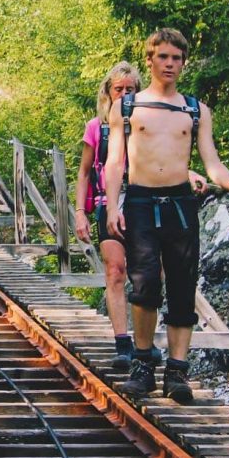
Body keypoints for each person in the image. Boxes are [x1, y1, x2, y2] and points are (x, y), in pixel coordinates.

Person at [105, 29, 229, 403]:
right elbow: (115, 162)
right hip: (141, 201)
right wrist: (113, 205)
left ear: (183, 63)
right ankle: (143, 365)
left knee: (181, 286)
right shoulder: (128, 107)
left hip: (180, 202)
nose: (169, 64)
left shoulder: (195, 109)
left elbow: (211, 163)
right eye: (162, 57)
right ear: (150, 60)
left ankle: (176, 372)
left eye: (176, 59)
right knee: (144, 284)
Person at [74, 62, 207, 370]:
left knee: (151, 276)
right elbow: (83, 173)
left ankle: (143, 345)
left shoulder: (147, 118)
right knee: (116, 270)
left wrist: (188, 172)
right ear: (107, 93)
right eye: (118, 89)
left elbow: (164, 157)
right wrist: (81, 211)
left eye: (129, 89)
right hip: (111, 200)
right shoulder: (97, 127)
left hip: (145, 201)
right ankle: (123, 343)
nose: (124, 94)